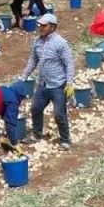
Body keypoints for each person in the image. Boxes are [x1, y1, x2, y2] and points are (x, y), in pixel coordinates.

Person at [20, 13, 75, 151]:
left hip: (58, 85)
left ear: (52, 27)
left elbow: (69, 63)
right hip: (43, 84)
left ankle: (65, 140)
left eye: (44, 26)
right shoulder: (37, 42)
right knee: (35, 109)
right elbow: (33, 60)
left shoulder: (60, 43)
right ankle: (36, 135)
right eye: (40, 25)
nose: (40, 27)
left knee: (59, 114)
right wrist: (23, 77)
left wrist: (69, 83)